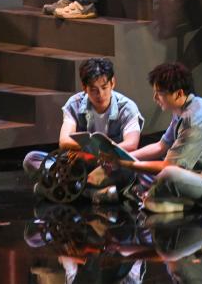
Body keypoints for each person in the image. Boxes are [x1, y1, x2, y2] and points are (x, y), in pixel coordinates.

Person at [106, 63, 202, 213]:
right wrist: (122, 156)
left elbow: (169, 166)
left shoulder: (195, 119)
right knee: (144, 171)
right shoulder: (183, 110)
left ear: (178, 94)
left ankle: (169, 201)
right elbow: (160, 146)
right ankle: (161, 198)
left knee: (168, 174)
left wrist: (125, 163)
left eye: (159, 93)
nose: (155, 98)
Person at [22, 57, 144, 199]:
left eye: (104, 88)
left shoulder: (127, 108)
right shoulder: (74, 104)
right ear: (84, 88)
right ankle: (91, 193)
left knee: (128, 169)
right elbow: (64, 141)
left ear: (112, 83)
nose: (100, 94)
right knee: (31, 159)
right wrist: (84, 154)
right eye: (93, 90)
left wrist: (97, 155)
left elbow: (131, 144)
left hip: (107, 166)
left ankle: (61, 189)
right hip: (79, 164)